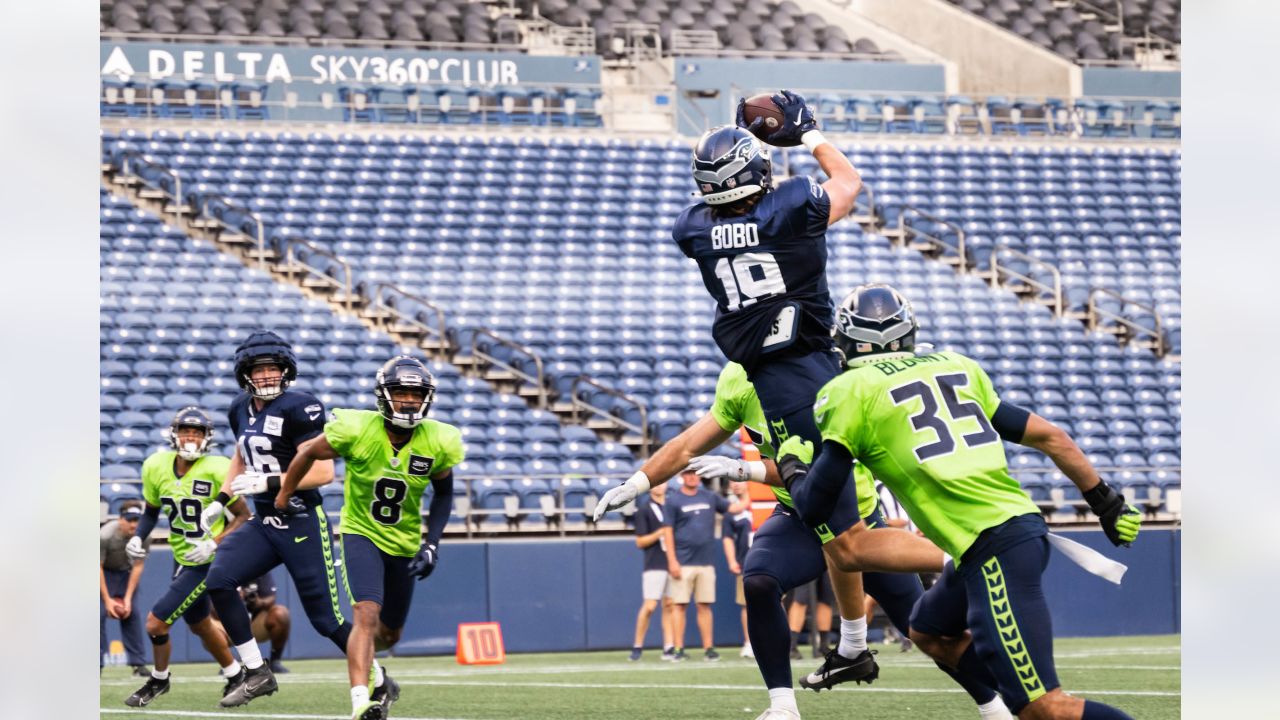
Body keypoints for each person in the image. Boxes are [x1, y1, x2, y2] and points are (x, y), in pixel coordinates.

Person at [777, 283, 1144, 720]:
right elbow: (1052, 436)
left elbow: (815, 509)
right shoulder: (957, 365)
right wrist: (1107, 504)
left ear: (846, 340)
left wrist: (791, 467)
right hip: (1001, 536)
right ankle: (1008, 704)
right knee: (929, 631)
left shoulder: (850, 389)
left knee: (1048, 708)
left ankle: (1022, 707)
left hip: (992, 547)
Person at [595, 359, 955, 720]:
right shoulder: (739, 377)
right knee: (760, 578)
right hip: (796, 515)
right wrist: (637, 482)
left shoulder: (821, 375)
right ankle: (783, 705)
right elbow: (688, 444)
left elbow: (816, 472)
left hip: (854, 517)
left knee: (924, 629)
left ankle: (994, 702)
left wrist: (744, 469)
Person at [198, 331, 392, 710]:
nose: (269, 376)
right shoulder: (239, 408)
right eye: (260, 369)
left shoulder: (302, 407)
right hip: (264, 520)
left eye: (275, 369)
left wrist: (271, 481)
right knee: (219, 582)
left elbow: (323, 473)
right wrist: (221, 500)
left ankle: (379, 678)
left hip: (301, 520)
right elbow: (242, 454)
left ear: (287, 371)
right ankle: (256, 671)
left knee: (327, 621)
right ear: (245, 373)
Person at [673, 90, 861, 475]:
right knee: (836, 486)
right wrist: (808, 133)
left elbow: (734, 223)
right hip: (813, 360)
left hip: (764, 374)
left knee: (803, 480)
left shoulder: (691, 229)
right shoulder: (790, 207)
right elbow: (847, 182)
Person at [277, 355, 461, 720]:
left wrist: (432, 543)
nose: (408, 400)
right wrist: (285, 494)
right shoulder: (358, 429)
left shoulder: (438, 440)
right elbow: (308, 452)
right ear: (383, 395)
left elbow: (444, 493)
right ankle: (361, 702)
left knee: (389, 634)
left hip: (404, 542)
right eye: (401, 392)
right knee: (365, 614)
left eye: (415, 393)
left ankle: (377, 674)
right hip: (361, 533)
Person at [123, 407, 250, 707]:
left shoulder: (218, 468)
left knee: (156, 624)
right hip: (183, 557)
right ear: (174, 434)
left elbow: (244, 516)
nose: (191, 437)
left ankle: (159, 678)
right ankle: (234, 674)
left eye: (197, 432)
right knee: (200, 624)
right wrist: (139, 537)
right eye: (185, 431)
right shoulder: (156, 465)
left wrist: (215, 544)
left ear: (207, 438)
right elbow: (151, 512)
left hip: (208, 561)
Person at [662, 470, 749, 661]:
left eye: (695, 474)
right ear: (682, 476)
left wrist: (746, 492)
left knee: (704, 605)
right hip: (683, 562)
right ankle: (678, 648)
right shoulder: (673, 500)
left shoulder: (710, 497)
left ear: (700, 476)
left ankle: (708, 648)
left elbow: (736, 509)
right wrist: (672, 560)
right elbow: (667, 532)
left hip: (705, 561)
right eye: (688, 474)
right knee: (679, 605)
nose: (692, 477)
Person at [101, 501, 150, 676]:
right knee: (97, 615)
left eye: (137, 520)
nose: (134, 524)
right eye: (130, 520)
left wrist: (128, 598)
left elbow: (137, 566)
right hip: (104, 573)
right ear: (121, 520)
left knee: (133, 614)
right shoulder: (105, 535)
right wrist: (107, 600)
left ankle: (138, 664)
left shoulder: (144, 536)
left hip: (126, 574)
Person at [629, 483, 675, 661]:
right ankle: (637, 645)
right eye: (656, 483)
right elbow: (640, 542)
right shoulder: (644, 510)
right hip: (654, 563)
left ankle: (669, 646)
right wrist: (661, 533)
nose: (659, 486)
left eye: (663, 482)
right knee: (649, 606)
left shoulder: (672, 506)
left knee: (670, 604)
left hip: (672, 561)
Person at [721, 485, 753, 659]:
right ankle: (749, 642)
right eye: (732, 481)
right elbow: (727, 538)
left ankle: (777, 640)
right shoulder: (731, 510)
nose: (736, 484)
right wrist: (732, 560)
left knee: (777, 602)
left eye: (740, 480)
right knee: (746, 604)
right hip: (746, 562)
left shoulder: (763, 503)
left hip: (770, 559)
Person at [242, 572, 291, 674]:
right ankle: (228, 664)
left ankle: (275, 661)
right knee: (214, 618)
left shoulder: (260, 568)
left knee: (281, 613)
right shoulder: (225, 569)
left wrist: (259, 602)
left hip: (255, 621)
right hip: (229, 622)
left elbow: (271, 598)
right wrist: (234, 598)